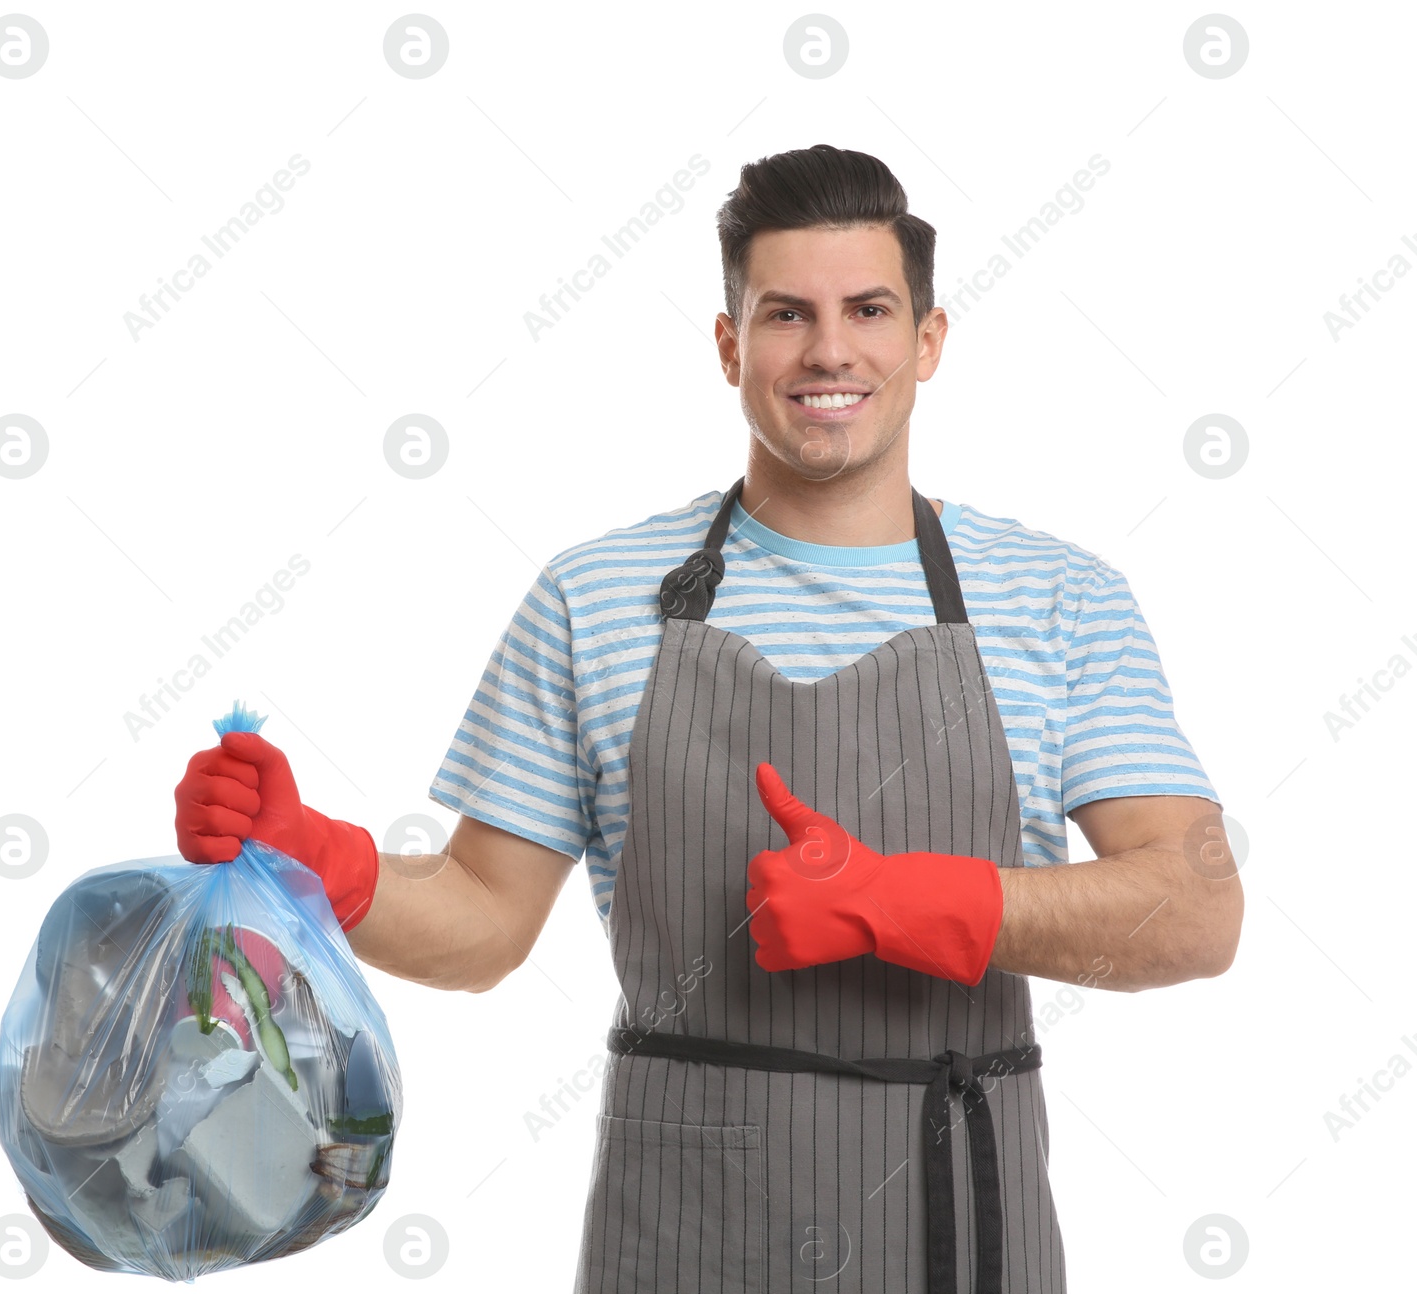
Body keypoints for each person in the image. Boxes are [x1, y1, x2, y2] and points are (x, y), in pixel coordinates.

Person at [174, 143, 1243, 1294]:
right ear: (730, 344)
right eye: (786, 313)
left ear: (926, 343)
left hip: (953, 1225)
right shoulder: (594, 597)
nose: (829, 350)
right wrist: (327, 865)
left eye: (869, 309)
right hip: (680, 1233)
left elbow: (1194, 907)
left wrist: (900, 901)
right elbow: (486, 917)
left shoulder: (1058, 599)